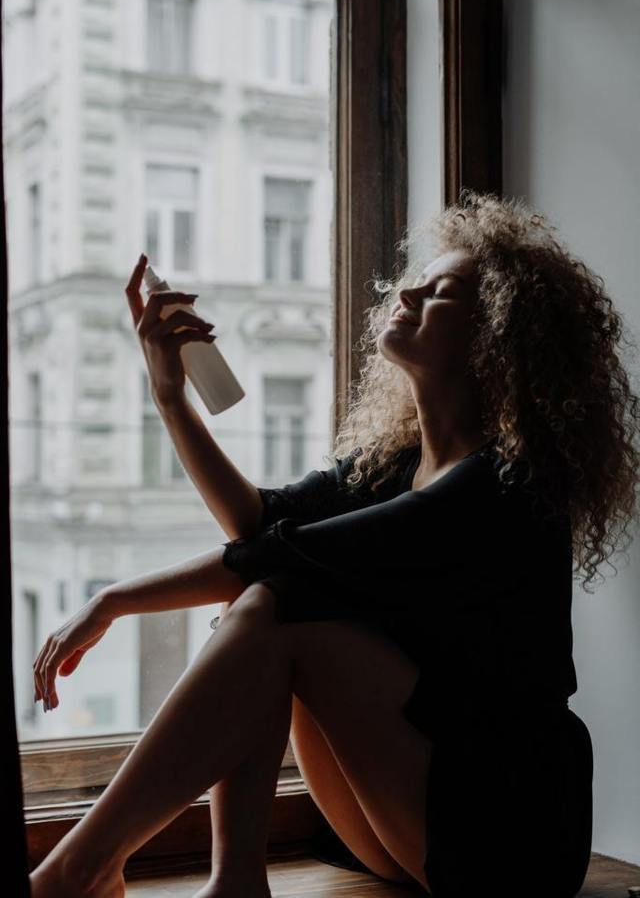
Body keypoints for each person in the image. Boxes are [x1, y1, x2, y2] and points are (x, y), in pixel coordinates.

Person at [30, 190, 639, 898]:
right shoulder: (395, 464)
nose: (407, 291)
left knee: (274, 606)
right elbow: (262, 526)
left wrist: (110, 601)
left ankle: (86, 869)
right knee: (264, 609)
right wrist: (171, 397)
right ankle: (225, 877)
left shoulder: (506, 485)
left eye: (441, 292)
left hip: (514, 834)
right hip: (412, 815)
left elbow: (281, 560)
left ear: (495, 340)